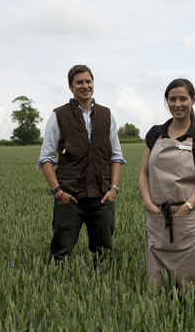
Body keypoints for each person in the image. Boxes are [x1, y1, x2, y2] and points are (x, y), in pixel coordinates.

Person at [37, 64, 126, 264]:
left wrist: (113, 189)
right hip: (70, 197)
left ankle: (103, 292)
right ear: (71, 86)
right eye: (80, 82)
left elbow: (116, 156)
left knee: (104, 255)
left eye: (88, 81)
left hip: (102, 197)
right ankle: (57, 291)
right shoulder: (58, 115)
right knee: (60, 254)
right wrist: (58, 192)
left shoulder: (106, 114)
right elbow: (46, 158)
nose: (85, 85)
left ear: (93, 83)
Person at [139, 78, 195, 289]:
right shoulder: (155, 133)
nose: (177, 104)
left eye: (183, 98)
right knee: (158, 283)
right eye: (172, 99)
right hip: (157, 217)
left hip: (188, 218)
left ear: (193, 100)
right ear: (167, 101)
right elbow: (144, 174)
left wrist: (186, 208)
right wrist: (148, 203)